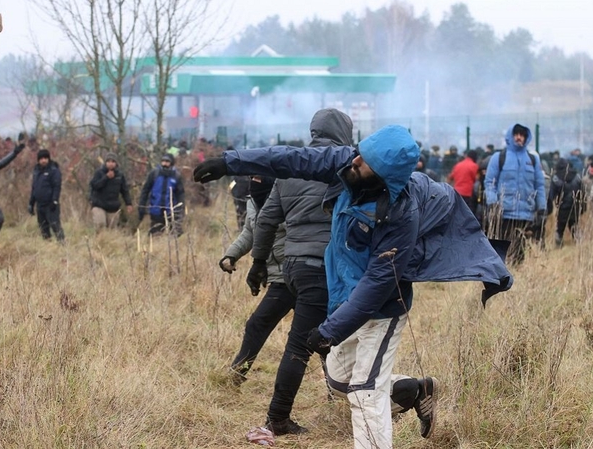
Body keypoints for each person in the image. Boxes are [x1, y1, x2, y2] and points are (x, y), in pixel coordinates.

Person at [193, 124, 513, 448]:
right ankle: (413, 390)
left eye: (366, 160)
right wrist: (230, 162)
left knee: (364, 391)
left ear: (384, 174)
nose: (355, 160)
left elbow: (377, 283)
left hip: (383, 308)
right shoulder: (347, 164)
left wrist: (330, 330)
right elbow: (291, 159)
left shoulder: (402, 214)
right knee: (338, 379)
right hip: (345, 299)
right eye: (359, 152)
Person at [248, 108, 347, 436]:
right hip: (324, 267)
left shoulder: (291, 169)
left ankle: (337, 398)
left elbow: (265, 219)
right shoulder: (343, 167)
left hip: (292, 266)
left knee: (324, 336)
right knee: (302, 345)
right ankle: (277, 418)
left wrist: (258, 262)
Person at [219, 175, 294, 385]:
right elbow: (250, 232)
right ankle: (237, 374)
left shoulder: (288, 197)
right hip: (276, 274)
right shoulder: (253, 199)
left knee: (258, 324)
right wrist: (231, 255)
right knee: (315, 332)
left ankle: (236, 375)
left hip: (293, 273)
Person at [484, 124, 547, 264]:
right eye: (516, 134)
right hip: (504, 212)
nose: (519, 137)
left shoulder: (533, 159)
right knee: (503, 250)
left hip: (526, 214)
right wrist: (493, 202)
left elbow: (540, 185)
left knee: (520, 250)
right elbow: (489, 182)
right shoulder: (499, 157)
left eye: (522, 134)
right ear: (510, 136)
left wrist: (542, 207)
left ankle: (518, 277)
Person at [137, 153, 185, 236]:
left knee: (174, 236)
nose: (165, 163)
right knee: (155, 235)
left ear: (171, 163)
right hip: (156, 210)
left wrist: (180, 210)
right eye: (163, 161)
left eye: (167, 161)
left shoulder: (176, 176)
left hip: (171, 211)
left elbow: (180, 194)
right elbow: (145, 190)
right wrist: (142, 205)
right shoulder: (154, 174)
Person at [89, 152, 133, 230]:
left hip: (113, 207)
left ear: (116, 163)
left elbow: (124, 190)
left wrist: (128, 203)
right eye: (108, 161)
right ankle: (99, 241)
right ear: (105, 163)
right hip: (99, 204)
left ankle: (109, 242)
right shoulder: (99, 173)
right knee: (100, 225)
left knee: (111, 229)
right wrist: (106, 177)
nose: (111, 164)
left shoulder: (120, 175)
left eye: (113, 161)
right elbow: (94, 186)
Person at [28, 148, 65, 242]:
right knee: (43, 228)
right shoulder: (36, 171)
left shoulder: (54, 170)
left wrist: (55, 200)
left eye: (45, 158)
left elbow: (57, 187)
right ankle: (47, 246)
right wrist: (31, 203)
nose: (43, 160)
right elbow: (34, 188)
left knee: (55, 225)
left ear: (48, 159)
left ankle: (62, 244)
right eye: (41, 158)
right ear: (38, 160)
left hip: (50, 204)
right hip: (40, 205)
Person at [548, 158, 583, 247]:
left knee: (560, 228)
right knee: (574, 225)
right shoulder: (577, 176)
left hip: (562, 207)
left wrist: (550, 208)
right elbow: (583, 193)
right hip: (575, 206)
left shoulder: (556, 178)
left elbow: (551, 194)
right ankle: (579, 244)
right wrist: (583, 207)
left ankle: (559, 245)